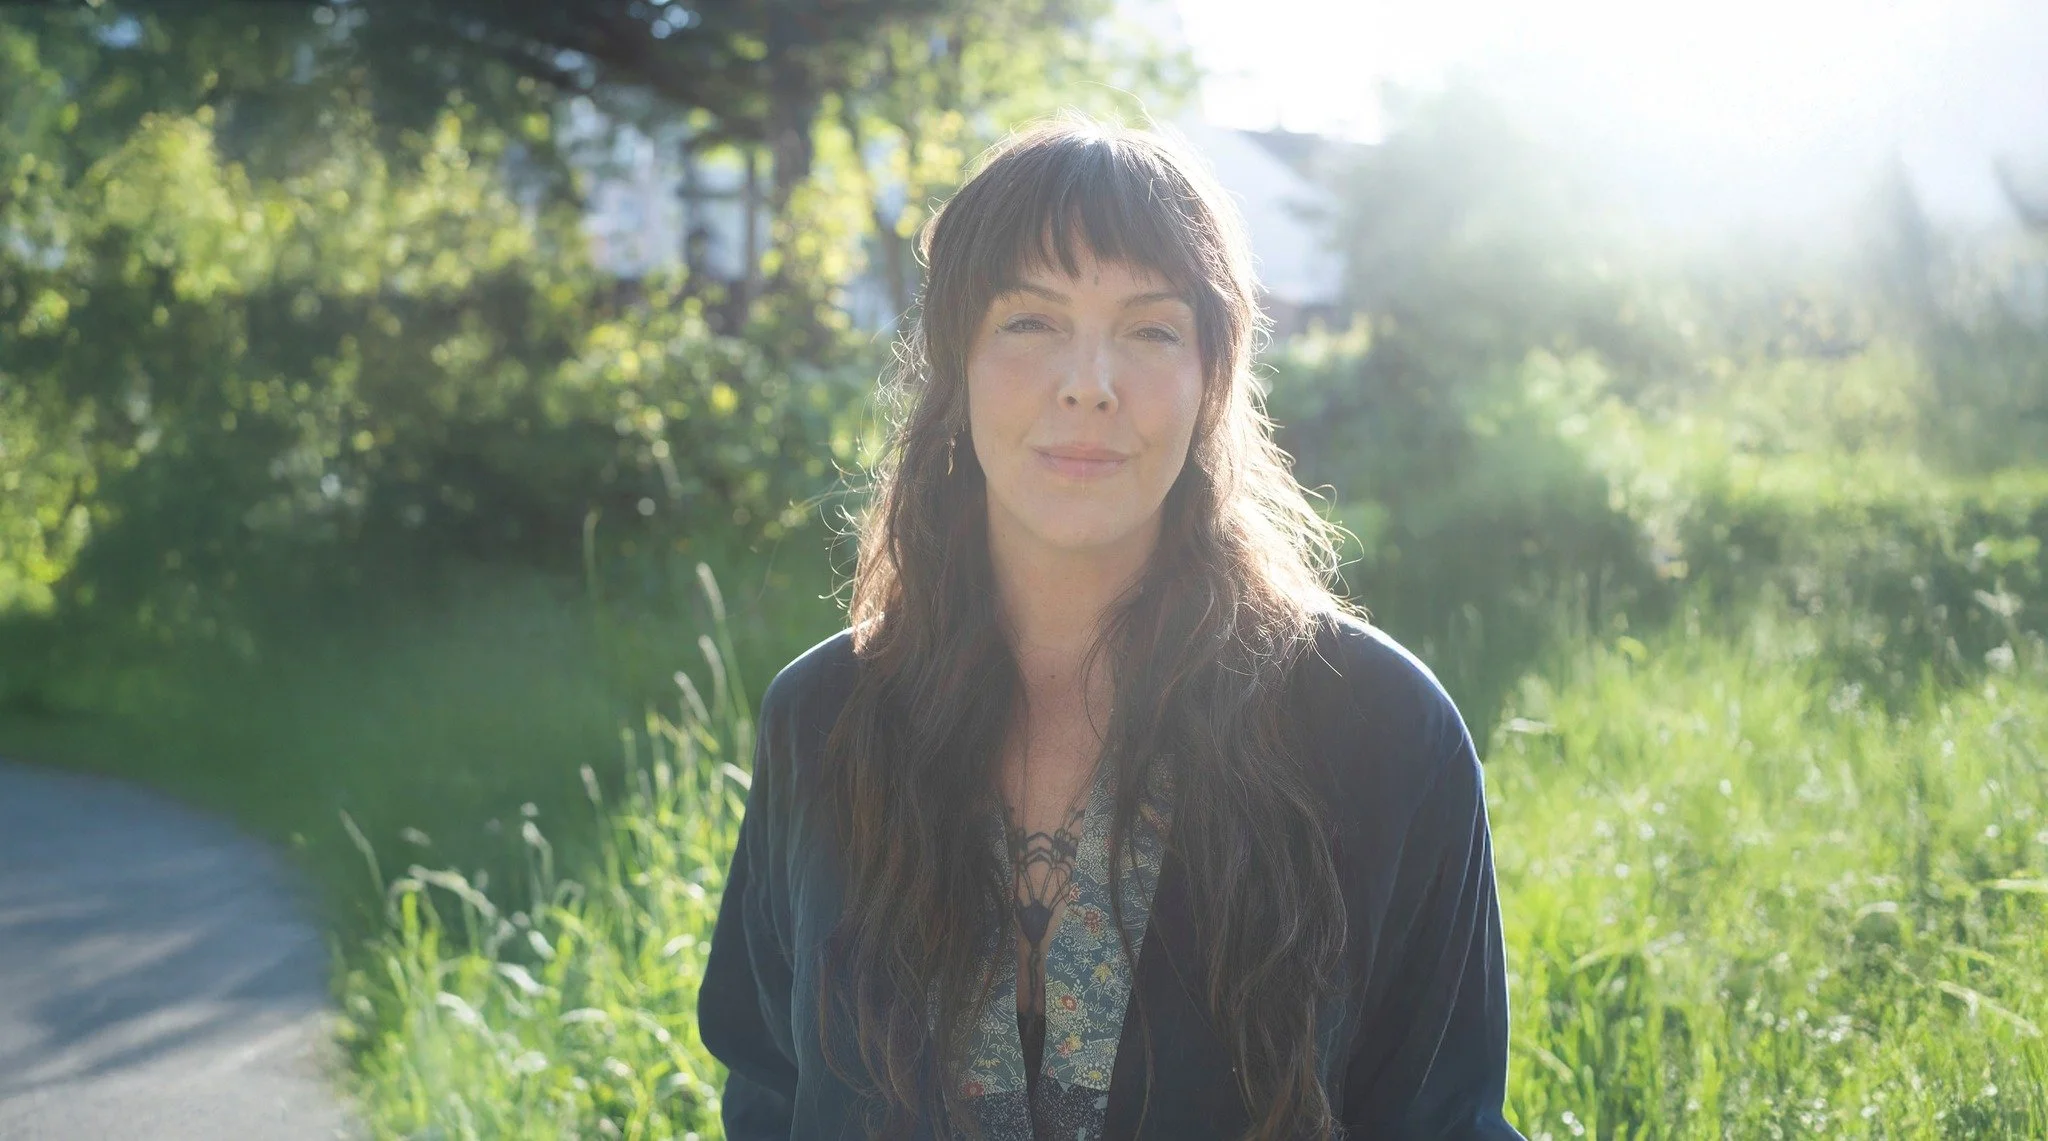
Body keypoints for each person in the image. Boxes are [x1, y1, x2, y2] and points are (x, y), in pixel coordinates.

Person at [698, 116, 1527, 1141]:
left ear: (1211, 380)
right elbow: (768, 1087)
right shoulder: (822, 717)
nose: (1089, 381)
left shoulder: (1379, 728)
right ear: (952, 367)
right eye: (1030, 322)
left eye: (1148, 330)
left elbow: (1439, 1119)